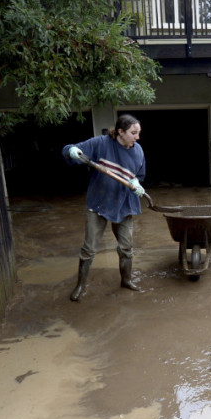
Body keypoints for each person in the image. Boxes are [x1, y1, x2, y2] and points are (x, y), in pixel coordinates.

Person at [63, 114, 146, 301]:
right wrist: (72, 151)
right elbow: (67, 149)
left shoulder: (138, 150)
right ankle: (80, 286)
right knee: (89, 249)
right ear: (120, 132)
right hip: (99, 202)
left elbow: (140, 174)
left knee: (126, 247)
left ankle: (126, 280)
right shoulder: (101, 143)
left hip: (124, 204)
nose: (137, 137)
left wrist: (136, 182)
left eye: (138, 133)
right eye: (133, 133)